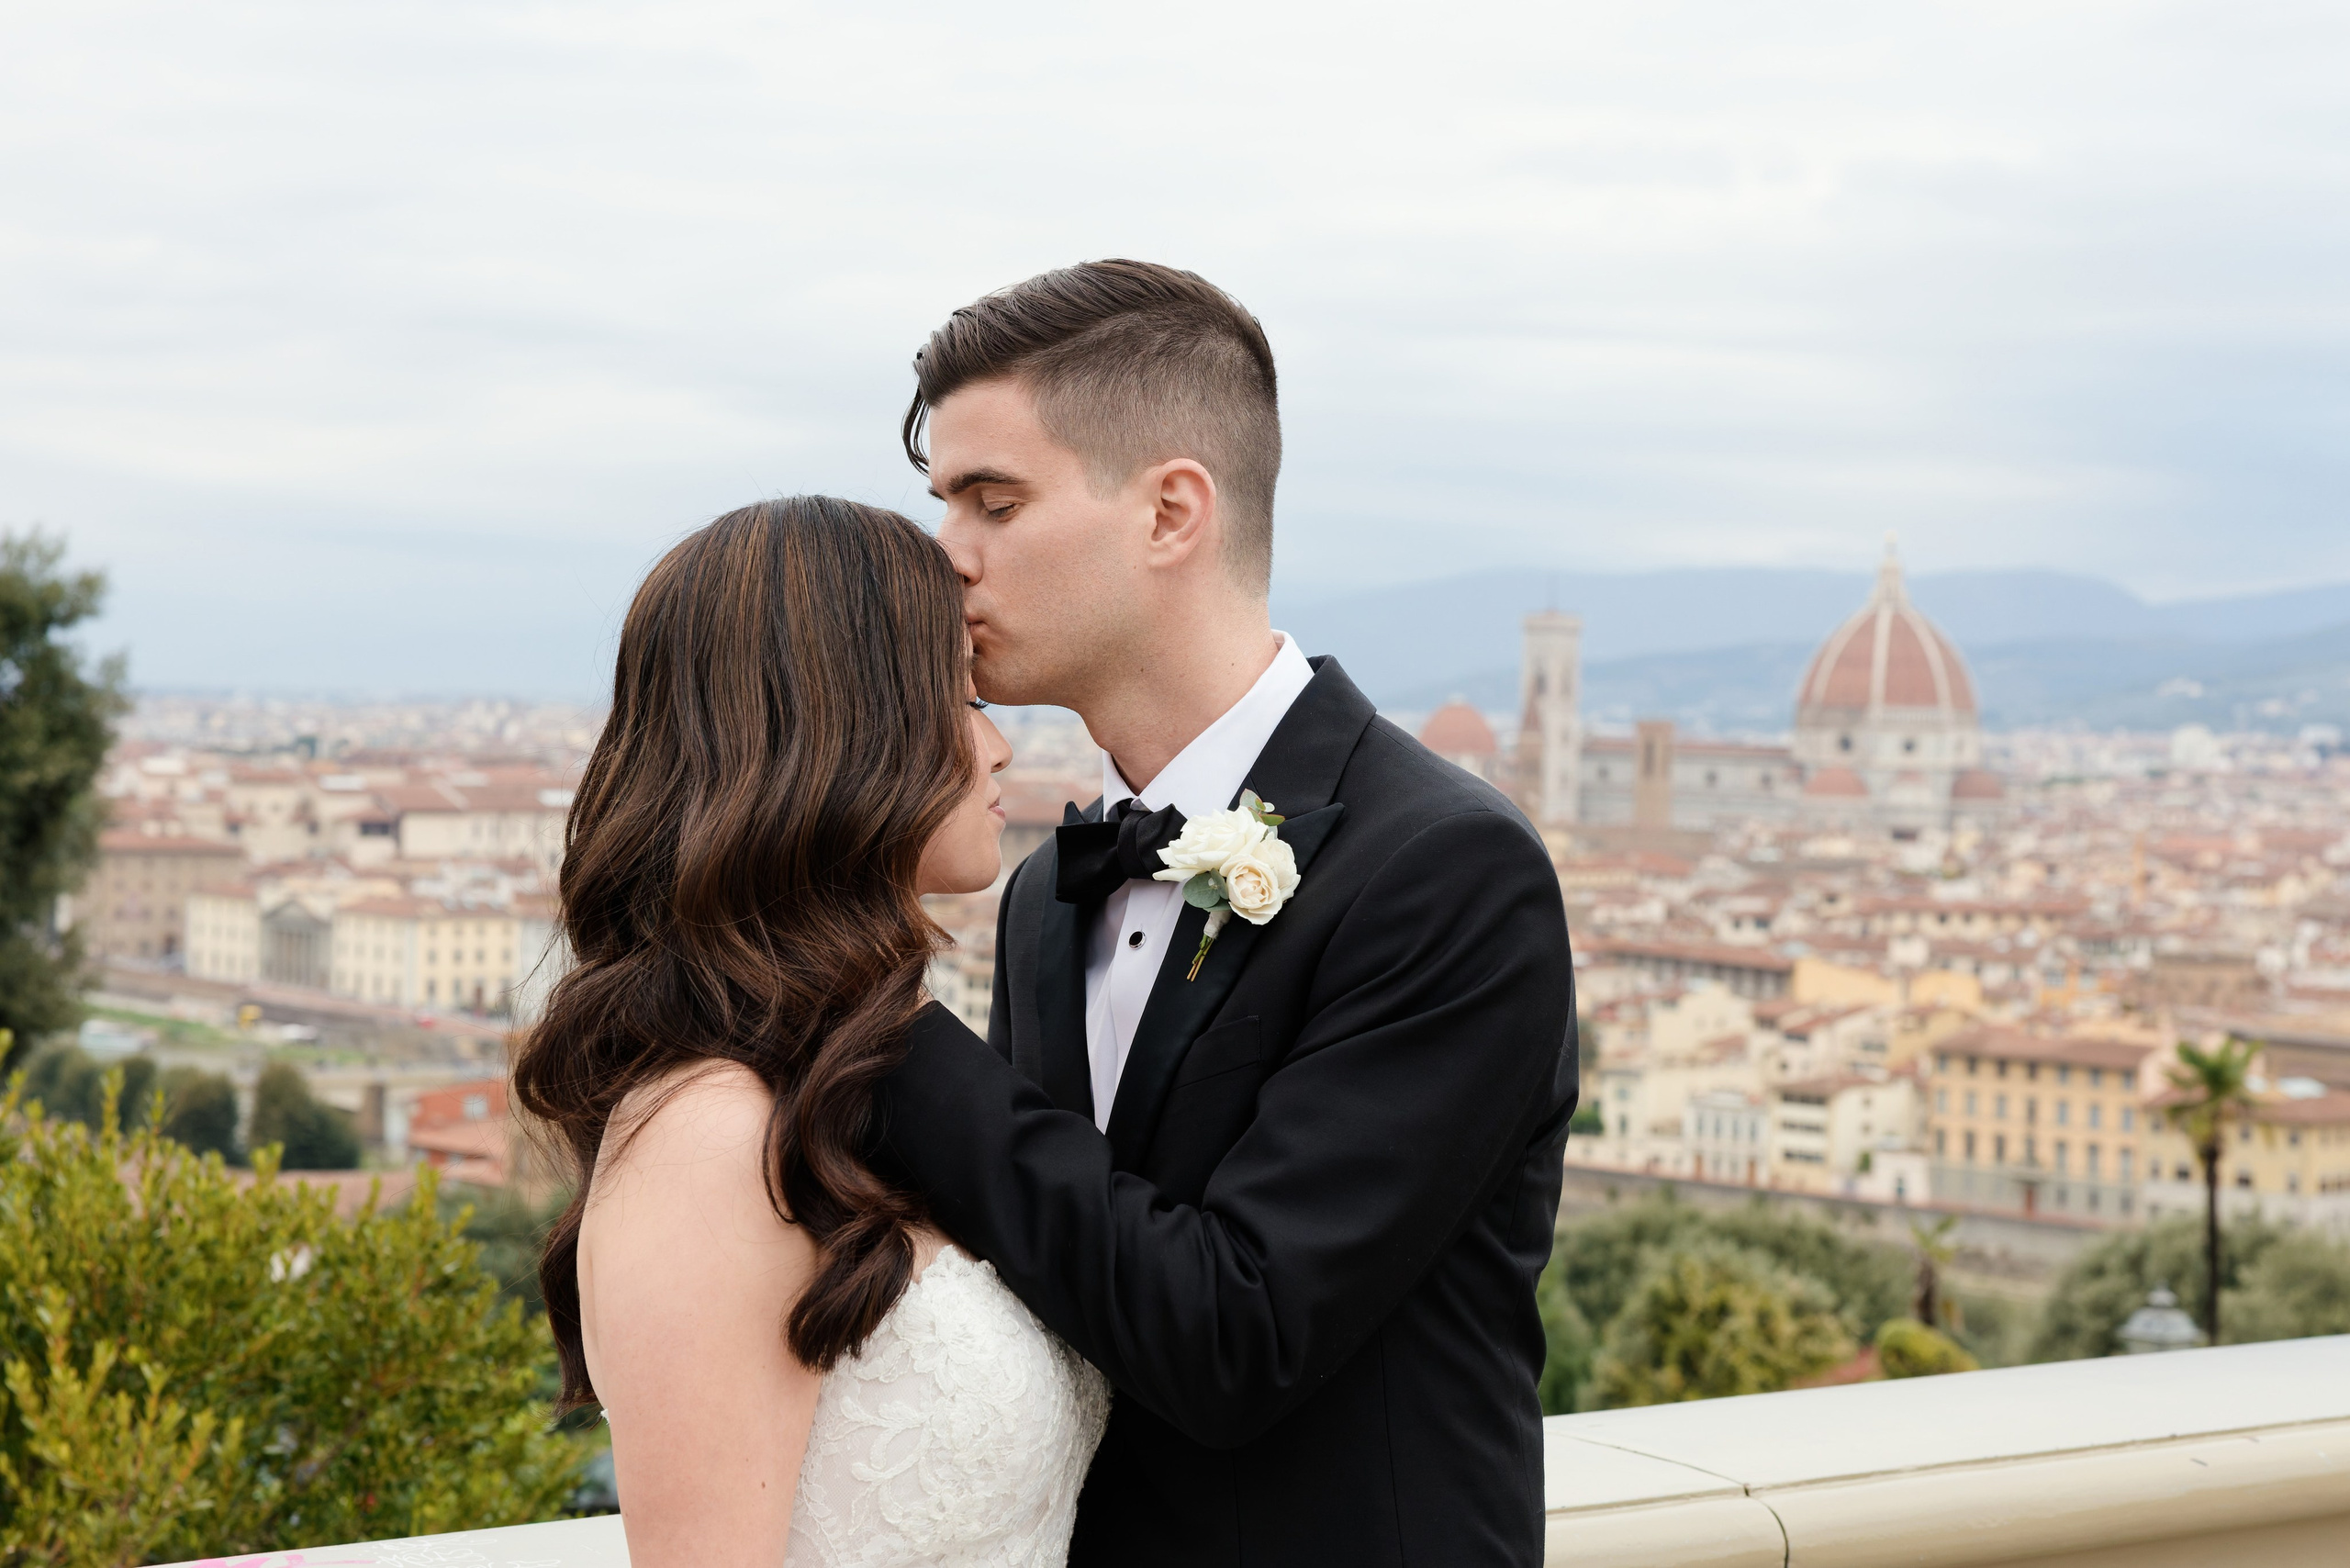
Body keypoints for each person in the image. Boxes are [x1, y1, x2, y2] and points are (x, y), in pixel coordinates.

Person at [874, 261, 1578, 1568]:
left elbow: (1235, 1334)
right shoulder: (1045, 892)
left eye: (993, 500)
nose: (942, 555)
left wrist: (879, 1038)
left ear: (1171, 513)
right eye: (943, 504)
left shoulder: (1448, 872)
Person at [511, 497, 1110, 1568]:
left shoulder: (843, 1080)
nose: (1001, 746)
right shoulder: (706, 1137)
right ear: (844, 732)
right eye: (959, 699)